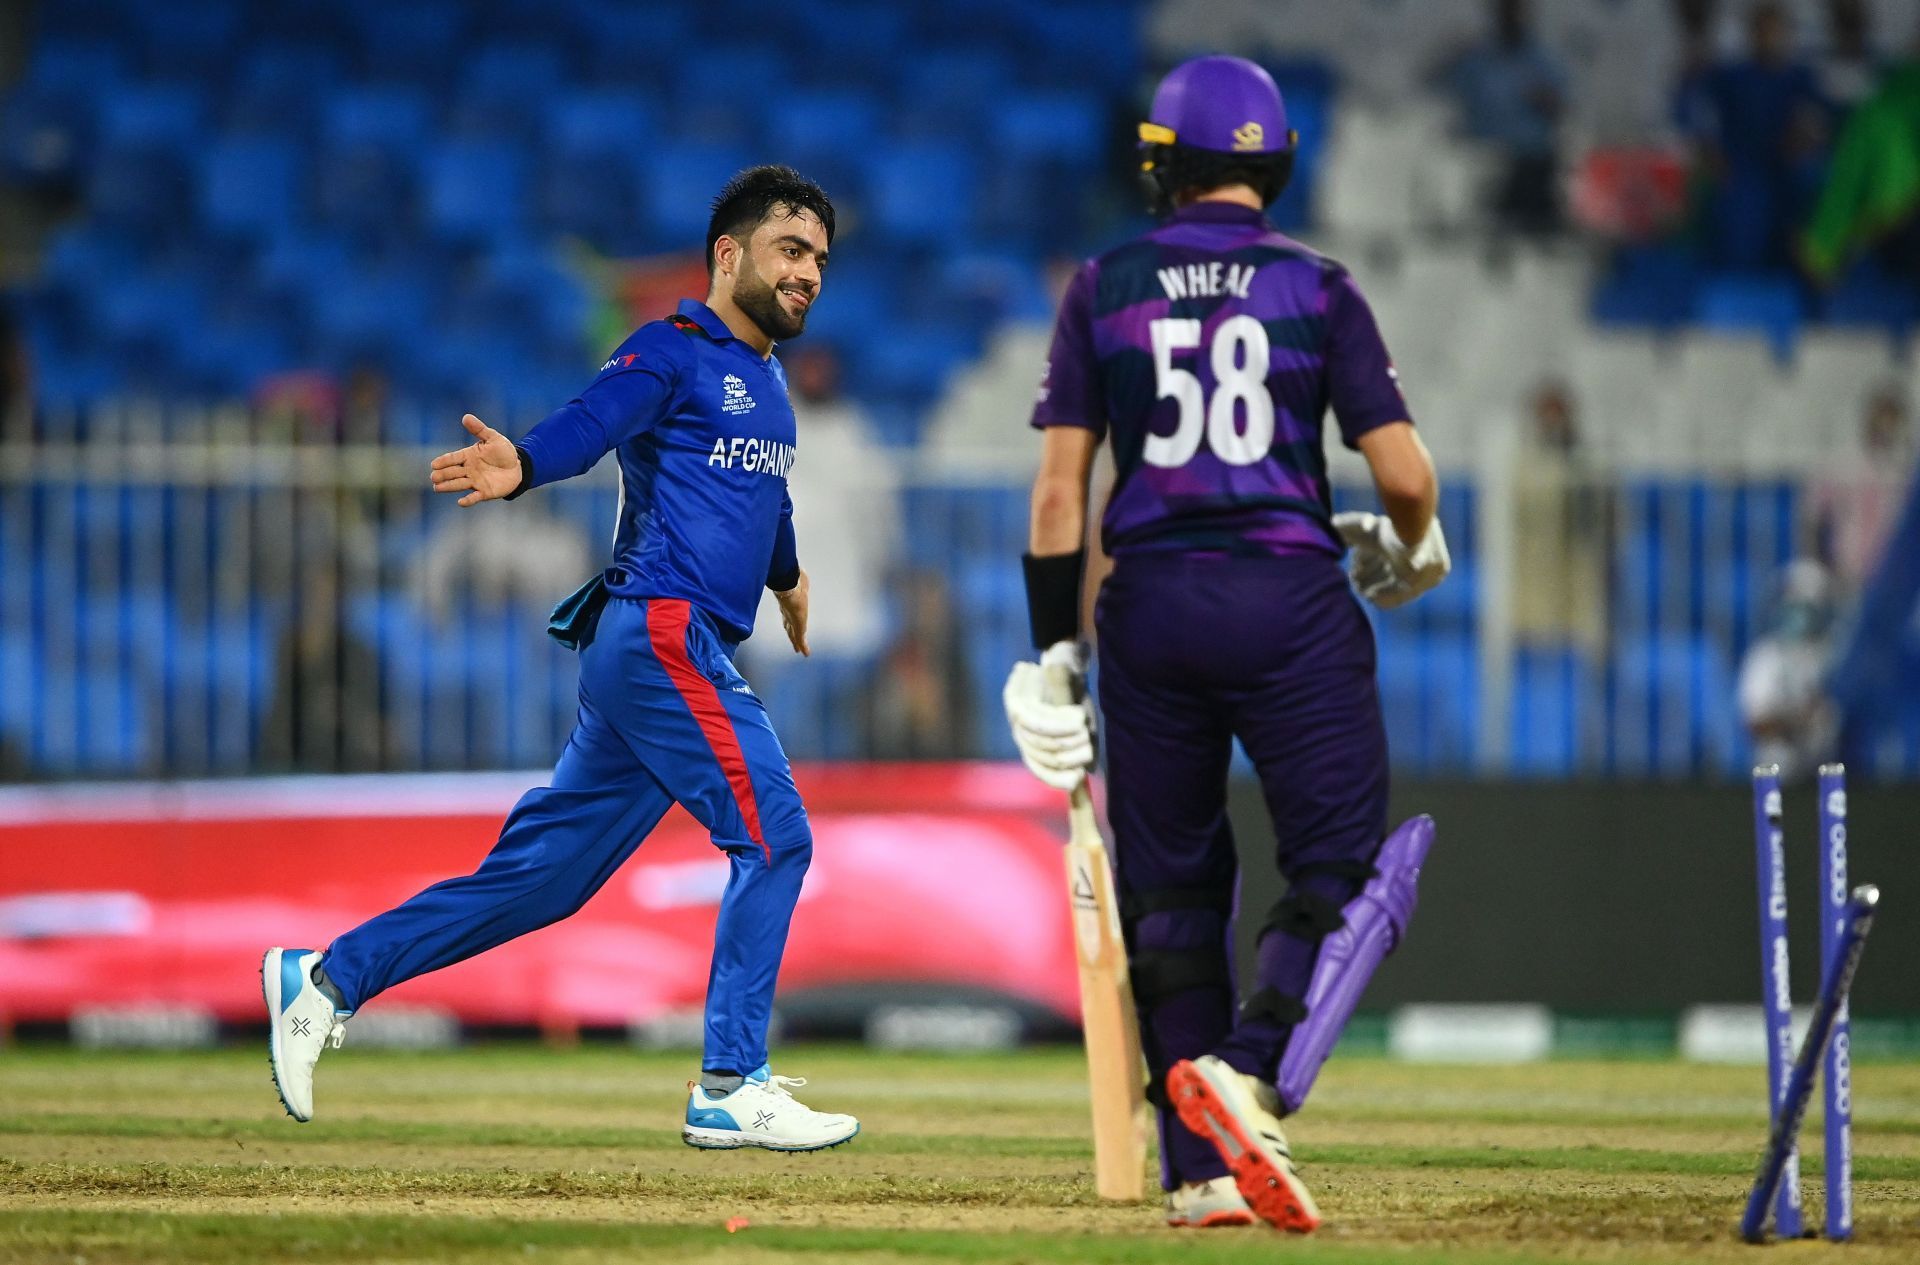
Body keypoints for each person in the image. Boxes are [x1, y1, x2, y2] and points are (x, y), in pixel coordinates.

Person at [262, 166, 859, 1153]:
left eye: (821, 261)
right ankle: (730, 1080)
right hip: (661, 634)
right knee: (776, 837)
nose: (809, 274)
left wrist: (789, 578)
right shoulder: (672, 350)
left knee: (544, 881)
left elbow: (766, 495)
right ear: (729, 254)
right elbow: (591, 425)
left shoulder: (769, 378)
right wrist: (526, 462)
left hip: (660, 650)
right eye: (791, 251)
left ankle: (325, 979)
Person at [1002, 56, 1447, 1233]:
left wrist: (1054, 651)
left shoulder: (1104, 283)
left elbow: (1059, 499)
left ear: (1162, 162)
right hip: (1289, 600)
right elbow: (1401, 472)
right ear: (1276, 163)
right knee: (1344, 861)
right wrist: (1415, 540)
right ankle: (1250, 1069)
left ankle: (1203, 1170)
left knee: (1170, 887)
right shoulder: (1320, 287)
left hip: (1148, 604)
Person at [1676, 1, 1830, 271]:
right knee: (1745, 206)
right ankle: (1734, 279)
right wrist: (1706, 147)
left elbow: (1822, 118)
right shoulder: (1730, 77)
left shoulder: (1800, 78)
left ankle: (1801, 276)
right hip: (1739, 169)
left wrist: (1810, 137)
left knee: (1810, 185)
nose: (1770, 38)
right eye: (1763, 31)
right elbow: (1689, 110)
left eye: (1777, 31)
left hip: (1785, 168)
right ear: (1751, 34)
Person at [1445, 0, 1569, 235]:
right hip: (1481, 159)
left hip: (1529, 162)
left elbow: (1565, 105)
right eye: (1503, 10)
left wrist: (1547, 101)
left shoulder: (1542, 60)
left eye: (1516, 10)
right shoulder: (1474, 59)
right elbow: (1441, 94)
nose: (1510, 17)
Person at [1738, 559, 1840, 779]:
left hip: (1834, 766)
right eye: (1794, 604)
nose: (1800, 613)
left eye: (1808, 606)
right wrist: (1798, 720)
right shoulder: (1766, 655)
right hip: (1782, 771)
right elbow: (1755, 722)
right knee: (1777, 757)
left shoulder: (1834, 656)